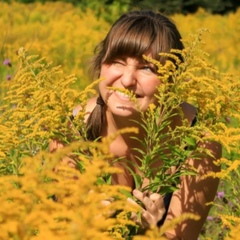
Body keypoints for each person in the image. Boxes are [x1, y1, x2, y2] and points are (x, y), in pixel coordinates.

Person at [50, 10, 221, 239]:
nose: (127, 80)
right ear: (101, 64)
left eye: (147, 68)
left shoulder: (199, 141)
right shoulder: (71, 132)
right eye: (117, 62)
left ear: (172, 79)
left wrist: (148, 232)